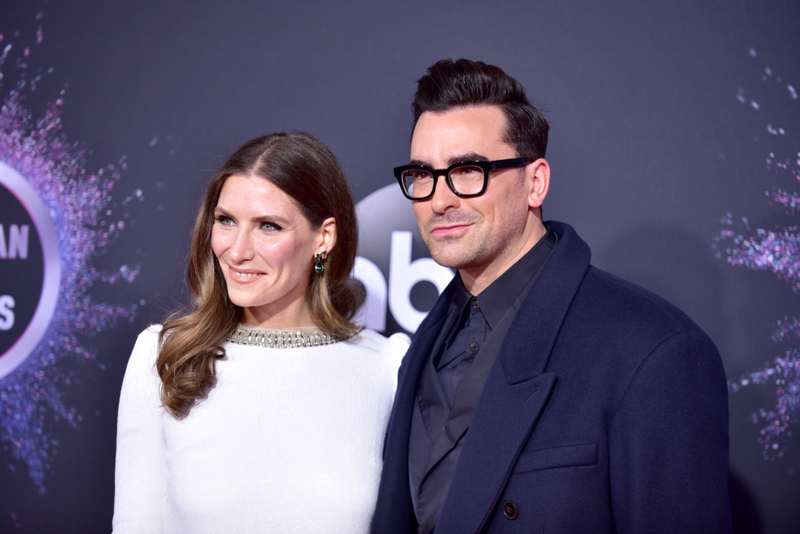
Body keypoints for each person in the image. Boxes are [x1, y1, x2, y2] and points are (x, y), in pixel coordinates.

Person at [371, 59, 732, 533]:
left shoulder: (653, 352)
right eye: (423, 175)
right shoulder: (423, 343)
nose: (440, 200)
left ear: (535, 182)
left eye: (467, 170)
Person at [112, 132, 409, 533]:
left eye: (268, 226)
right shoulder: (164, 355)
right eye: (226, 221)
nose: (237, 251)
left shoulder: (387, 367)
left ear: (324, 238)